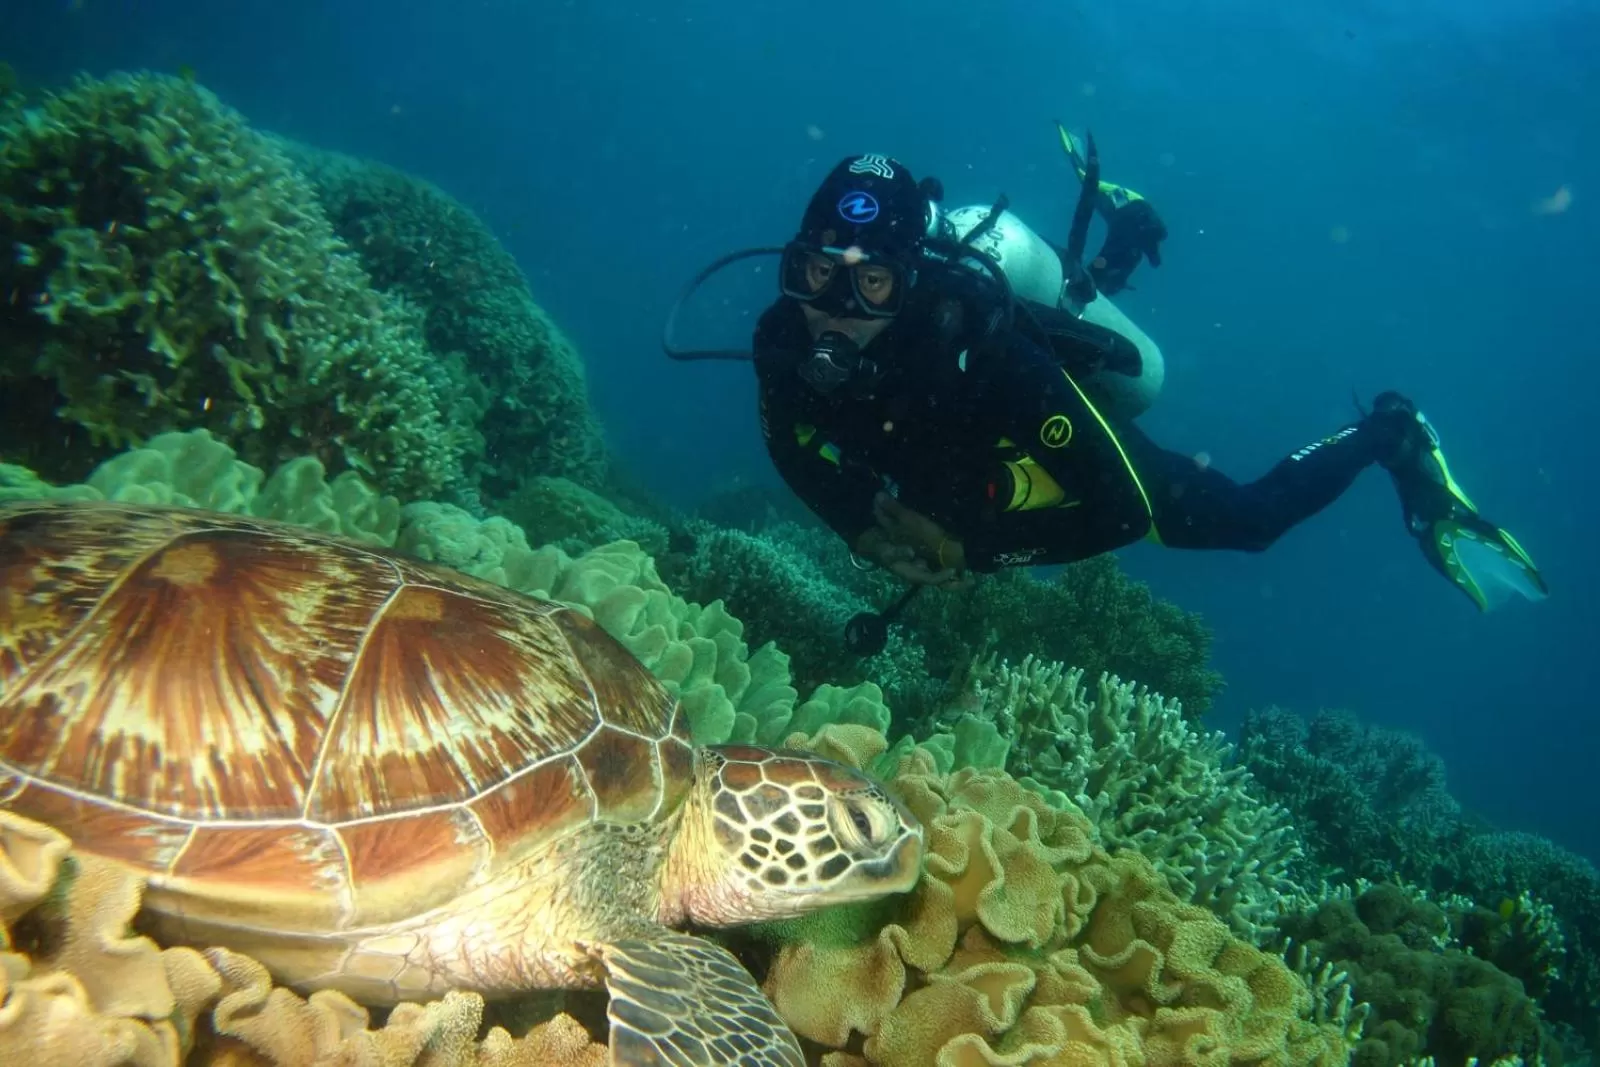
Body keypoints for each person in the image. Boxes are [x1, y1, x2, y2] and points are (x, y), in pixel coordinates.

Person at [750, 152, 1547, 612]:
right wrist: (855, 522)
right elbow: (787, 441)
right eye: (815, 271)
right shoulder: (783, 337)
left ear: (911, 279)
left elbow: (1123, 512)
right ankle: (1119, 240)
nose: (834, 311)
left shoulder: (987, 353)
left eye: (874, 285)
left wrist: (976, 550)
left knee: (1249, 520)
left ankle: (1392, 432)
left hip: (1040, 443)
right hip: (955, 470)